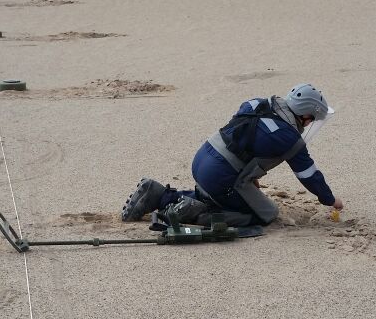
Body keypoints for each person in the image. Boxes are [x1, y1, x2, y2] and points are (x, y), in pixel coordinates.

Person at [121, 83, 343, 227]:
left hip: (202, 157)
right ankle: (193, 213)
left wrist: (249, 175)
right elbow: (308, 175)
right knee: (265, 214)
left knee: (221, 193)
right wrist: (330, 200)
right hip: (219, 175)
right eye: (311, 119)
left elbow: (245, 137)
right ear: (305, 114)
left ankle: (160, 195)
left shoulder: (258, 103)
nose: (310, 123)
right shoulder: (290, 138)